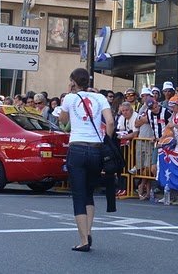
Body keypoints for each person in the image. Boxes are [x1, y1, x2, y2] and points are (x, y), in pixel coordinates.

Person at [59, 68, 114, 252]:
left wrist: (69, 93)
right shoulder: (99, 98)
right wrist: (106, 139)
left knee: (78, 195)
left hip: (77, 147)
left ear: (74, 82)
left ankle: (83, 240)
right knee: (90, 192)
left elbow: (63, 121)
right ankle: (88, 231)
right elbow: (111, 122)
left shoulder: (69, 98)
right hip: (96, 149)